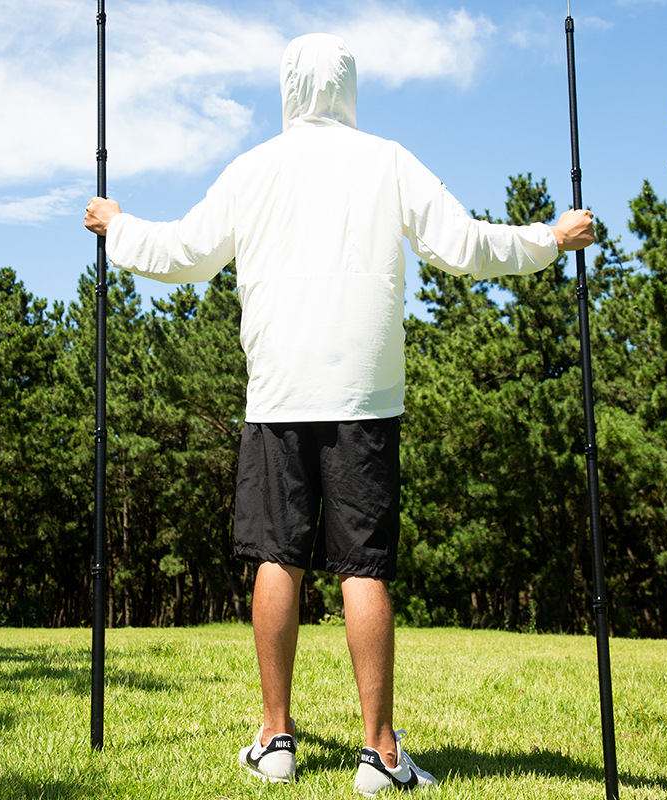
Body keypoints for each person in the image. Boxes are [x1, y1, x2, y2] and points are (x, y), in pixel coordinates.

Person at [85, 33, 594, 796]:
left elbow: (185, 252)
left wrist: (116, 226)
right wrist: (550, 239)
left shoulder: (254, 167)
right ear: (350, 87)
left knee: (276, 556)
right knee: (364, 566)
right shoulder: (387, 159)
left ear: (287, 89)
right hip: (364, 399)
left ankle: (276, 738)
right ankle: (379, 755)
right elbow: (464, 245)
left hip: (279, 396)